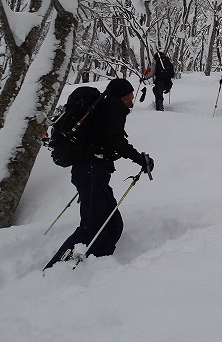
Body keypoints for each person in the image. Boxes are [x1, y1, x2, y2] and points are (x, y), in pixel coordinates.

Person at [44, 78, 154, 269]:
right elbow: (115, 140)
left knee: (113, 224)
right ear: (123, 95)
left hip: (92, 171)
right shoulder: (114, 106)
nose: (132, 100)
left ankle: (96, 266)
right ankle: (55, 270)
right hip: (91, 171)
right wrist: (139, 159)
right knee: (92, 226)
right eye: (130, 95)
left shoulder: (102, 108)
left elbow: (105, 140)